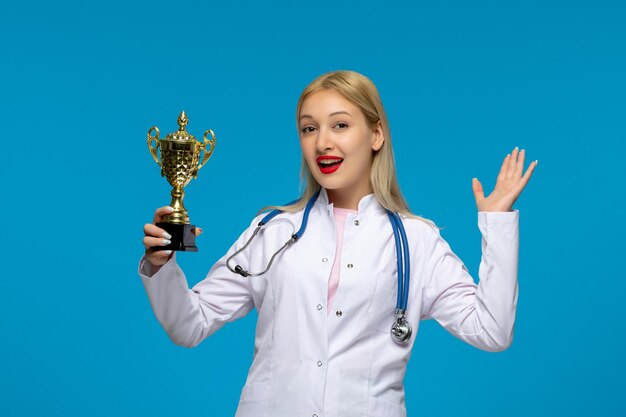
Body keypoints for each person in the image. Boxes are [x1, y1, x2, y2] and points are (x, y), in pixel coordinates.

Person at [138, 70, 537, 417]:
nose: (322, 142)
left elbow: (492, 330)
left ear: (376, 134)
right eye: (309, 128)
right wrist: (162, 264)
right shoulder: (272, 230)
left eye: (340, 125)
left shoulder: (416, 240)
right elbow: (189, 325)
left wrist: (497, 223)